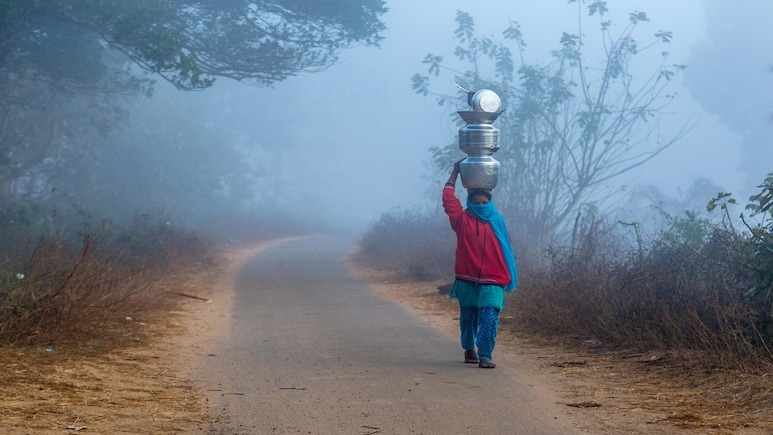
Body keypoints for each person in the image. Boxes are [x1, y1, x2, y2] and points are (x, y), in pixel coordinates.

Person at [442, 161, 518, 369]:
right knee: (468, 318)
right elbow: (449, 201)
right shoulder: (462, 221)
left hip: (494, 279)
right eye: (477, 204)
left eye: (485, 203)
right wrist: (455, 173)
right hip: (467, 278)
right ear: (470, 204)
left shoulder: (498, 222)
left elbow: (507, 249)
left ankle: (485, 354)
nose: (482, 207)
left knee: (489, 317)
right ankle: (469, 348)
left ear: (490, 203)